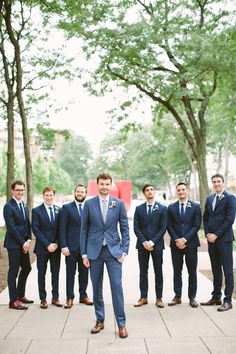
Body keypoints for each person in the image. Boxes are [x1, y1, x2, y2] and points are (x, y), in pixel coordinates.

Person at [80, 173, 130, 338]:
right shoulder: (89, 204)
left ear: (110, 185)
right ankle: (100, 320)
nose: (104, 187)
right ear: (97, 185)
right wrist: (84, 254)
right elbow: (84, 231)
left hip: (113, 252)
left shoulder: (119, 204)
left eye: (107, 184)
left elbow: (124, 229)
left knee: (116, 287)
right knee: (96, 288)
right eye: (101, 184)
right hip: (94, 253)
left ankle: (121, 324)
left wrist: (124, 250)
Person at [201, 173, 236, 311]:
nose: (216, 184)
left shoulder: (230, 198)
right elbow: (205, 218)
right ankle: (216, 297)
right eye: (214, 181)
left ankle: (228, 300)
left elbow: (229, 220)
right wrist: (208, 234)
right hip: (211, 240)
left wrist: (217, 234)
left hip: (224, 239)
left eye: (218, 181)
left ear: (223, 182)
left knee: (227, 270)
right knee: (216, 269)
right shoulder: (209, 199)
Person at [167, 182, 201, 308]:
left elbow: (196, 225)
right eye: (179, 190)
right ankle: (177, 296)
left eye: (183, 190)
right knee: (177, 271)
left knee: (191, 271)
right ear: (176, 192)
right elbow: (169, 225)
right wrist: (177, 239)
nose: (181, 192)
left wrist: (185, 239)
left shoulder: (196, 206)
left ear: (187, 191)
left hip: (191, 243)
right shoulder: (171, 207)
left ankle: (192, 297)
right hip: (175, 244)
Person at [133, 184, 167, 308]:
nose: (149, 191)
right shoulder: (139, 209)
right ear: (144, 193)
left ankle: (159, 298)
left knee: (158, 272)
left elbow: (163, 227)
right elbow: (136, 228)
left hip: (157, 246)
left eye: (152, 189)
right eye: (147, 190)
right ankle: (143, 297)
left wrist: (152, 242)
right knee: (143, 272)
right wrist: (144, 242)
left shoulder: (162, 208)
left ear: (154, 192)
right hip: (142, 246)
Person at [59, 184, 93, 309]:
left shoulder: (89, 207)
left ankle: (83, 296)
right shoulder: (66, 208)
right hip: (70, 248)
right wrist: (63, 246)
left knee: (84, 273)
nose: (79, 194)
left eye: (82, 192)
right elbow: (62, 228)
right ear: (74, 193)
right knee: (70, 273)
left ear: (86, 193)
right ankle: (69, 297)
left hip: (86, 248)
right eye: (78, 191)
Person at [3, 180, 33, 310]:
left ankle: (20, 295)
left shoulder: (24, 205)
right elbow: (11, 228)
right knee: (13, 271)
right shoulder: (8, 206)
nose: (20, 192)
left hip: (23, 243)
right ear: (12, 191)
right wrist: (22, 243)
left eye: (22, 190)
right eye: (18, 190)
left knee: (27, 268)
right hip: (14, 244)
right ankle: (13, 300)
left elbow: (27, 224)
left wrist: (29, 240)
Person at [32, 186, 62, 309]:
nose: (49, 197)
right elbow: (36, 229)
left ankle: (55, 298)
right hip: (42, 248)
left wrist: (56, 243)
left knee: (55, 273)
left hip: (55, 248)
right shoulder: (36, 211)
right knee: (41, 273)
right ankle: (43, 299)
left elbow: (61, 229)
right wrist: (47, 244)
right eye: (46, 195)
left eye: (51, 195)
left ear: (54, 196)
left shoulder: (58, 210)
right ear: (43, 196)